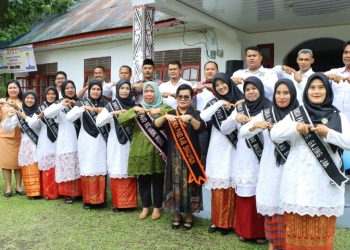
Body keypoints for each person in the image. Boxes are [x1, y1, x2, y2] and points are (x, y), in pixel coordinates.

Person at [270, 73, 350, 249]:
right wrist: (295, 127)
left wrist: (329, 133)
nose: (316, 91)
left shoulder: (338, 116)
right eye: (312, 88)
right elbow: (274, 134)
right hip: (298, 180)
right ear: (306, 91)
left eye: (321, 87)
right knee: (295, 230)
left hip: (324, 184)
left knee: (321, 233)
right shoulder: (296, 114)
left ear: (327, 91)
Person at [240, 78, 299, 250]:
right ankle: (272, 245)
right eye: (278, 93)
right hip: (271, 167)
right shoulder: (266, 113)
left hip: (292, 167)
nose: (282, 96)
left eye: (286, 93)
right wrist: (253, 126)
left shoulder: (300, 113)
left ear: (292, 94)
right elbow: (243, 133)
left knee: (291, 207)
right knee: (273, 206)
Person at [221, 76, 271, 243]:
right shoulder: (240, 109)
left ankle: (261, 233)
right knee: (245, 196)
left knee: (261, 195)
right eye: (247, 89)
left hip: (264, 157)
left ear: (260, 89)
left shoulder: (269, 108)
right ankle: (244, 231)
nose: (250, 92)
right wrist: (234, 118)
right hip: (244, 158)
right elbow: (224, 129)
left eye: (254, 88)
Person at [154, 84, 206, 230]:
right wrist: (164, 116)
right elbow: (155, 125)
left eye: (186, 97)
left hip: (191, 158)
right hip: (174, 156)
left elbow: (200, 128)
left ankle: (189, 215)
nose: (183, 99)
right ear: (176, 98)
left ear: (191, 99)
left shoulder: (195, 113)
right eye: (180, 96)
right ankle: (177, 215)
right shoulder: (170, 112)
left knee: (191, 186)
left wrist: (190, 119)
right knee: (174, 185)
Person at [117, 81, 172, 220]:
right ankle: (146, 207)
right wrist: (133, 111)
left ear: (157, 93)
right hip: (139, 150)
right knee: (143, 181)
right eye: (146, 91)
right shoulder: (138, 107)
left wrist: (160, 111)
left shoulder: (164, 107)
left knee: (158, 181)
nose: (148, 94)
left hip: (157, 150)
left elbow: (175, 114)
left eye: (151, 91)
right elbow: (121, 120)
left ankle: (157, 208)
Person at [200, 73, 243, 235]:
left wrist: (236, 108)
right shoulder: (214, 102)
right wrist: (219, 103)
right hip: (217, 147)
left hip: (234, 148)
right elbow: (203, 116)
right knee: (218, 185)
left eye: (223, 84)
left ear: (229, 84)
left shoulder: (241, 99)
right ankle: (216, 221)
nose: (221, 87)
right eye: (217, 85)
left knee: (231, 186)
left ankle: (228, 223)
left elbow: (229, 127)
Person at [96, 80, 138, 211]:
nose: (124, 90)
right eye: (122, 88)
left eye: (127, 88)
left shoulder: (134, 105)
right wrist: (113, 113)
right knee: (117, 168)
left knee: (129, 169)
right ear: (118, 90)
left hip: (131, 141)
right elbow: (99, 122)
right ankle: (118, 204)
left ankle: (130, 204)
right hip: (116, 142)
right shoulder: (111, 105)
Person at [66, 80, 108, 210]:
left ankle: (101, 200)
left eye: (98, 89)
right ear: (89, 90)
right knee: (88, 168)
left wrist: (99, 110)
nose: (96, 91)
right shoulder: (82, 103)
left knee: (100, 168)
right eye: (93, 89)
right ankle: (88, 200)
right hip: (86, 140)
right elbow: (70, 117)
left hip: (101, 140)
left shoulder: (106, 104)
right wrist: (82, 108)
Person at [43, 80, 82, 204]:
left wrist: (75, 105)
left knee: (79, 165)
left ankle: (79, 192)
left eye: (72, 87)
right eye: (67, 88)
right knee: (67, 166)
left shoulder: (80, 103)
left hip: (80, 139)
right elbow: (47, 114)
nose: (70, 90)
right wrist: (62, 105)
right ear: (63, 90)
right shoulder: (59, 104)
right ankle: (67, 194)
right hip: (66, 139)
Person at [2, 90, 42, 199]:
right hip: (26, 144)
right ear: (24, 100)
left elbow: (36, 124)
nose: (29, 100)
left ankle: (40, 191)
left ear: (35, 100)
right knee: (29, 167)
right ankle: (32, 192)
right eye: (27, 98)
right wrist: (9, 117)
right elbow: (7, 127)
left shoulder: (39, 111)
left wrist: (24, 116)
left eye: (32, 98)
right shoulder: (19, 112)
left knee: (38, 167)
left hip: (39, 143)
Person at [30, 85, 60, 200]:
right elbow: (33, 125)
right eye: (48, 94)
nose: (51, 96)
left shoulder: (60, 107)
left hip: (58, 140)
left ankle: (58, 192)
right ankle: (48, 193)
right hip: (45, 141)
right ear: (45, 96)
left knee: (57, 167)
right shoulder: (40, 108)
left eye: (53, 94)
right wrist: (39, 116)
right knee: (47, 168)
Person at [0, 80, 24, 197]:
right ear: (7, 89)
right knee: (6, 163)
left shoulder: (23, 102)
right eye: (10, 88)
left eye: (15, 87)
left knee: (18, 162)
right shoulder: (2, 102)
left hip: (19, 136)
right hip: (4, 136)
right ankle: (8, 188)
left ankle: (18, 186)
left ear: (19, 89)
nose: (12, 90)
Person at [325, 40, 350, 121]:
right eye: (345, 52)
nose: (348, 55)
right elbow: (315, 77)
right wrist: (330, 76)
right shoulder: (335, 72)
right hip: (337, 122)